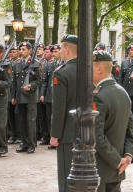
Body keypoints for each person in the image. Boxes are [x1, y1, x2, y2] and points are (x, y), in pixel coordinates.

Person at [92, 50, 133, 191]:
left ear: (99, 68)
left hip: (101, 167)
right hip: (117, 168)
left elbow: (96, 136)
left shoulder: (98, 96)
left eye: (89, 67)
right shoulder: (122, 92)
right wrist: (127, 155)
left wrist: (117, 161)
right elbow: (130, 129)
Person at [49, 34, 78, 192]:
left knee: (67, 175)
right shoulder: (91, 69)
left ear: (67, 50)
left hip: (68, 133)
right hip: (91, 130)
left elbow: (59, 107)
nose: (59, 51)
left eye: (60, 48)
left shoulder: (62, 72)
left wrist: (55, 135)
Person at [11, 41, 42, 154]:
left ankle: (31, 144)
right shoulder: (16, 63)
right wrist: (13, 96)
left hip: (30, 96)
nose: (21, 51)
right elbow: (14, 82)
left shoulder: (35, 63)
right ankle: (24, 143)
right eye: (21, 49)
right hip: (20, 96)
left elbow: (39, 80)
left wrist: (31, 86)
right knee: (21, 121)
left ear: (30, 51)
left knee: (31, 121)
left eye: (24, 49)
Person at [40, 44, 62, 150]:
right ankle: (51, 139)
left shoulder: (64, 64)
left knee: (58, 117)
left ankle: (59, 139)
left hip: (59, 96)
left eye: (56, 51)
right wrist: (42, 94)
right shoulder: (49, 64)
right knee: (49, 118)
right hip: (49, 94)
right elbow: (44, 81)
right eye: (53, 52)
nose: (54, 54)